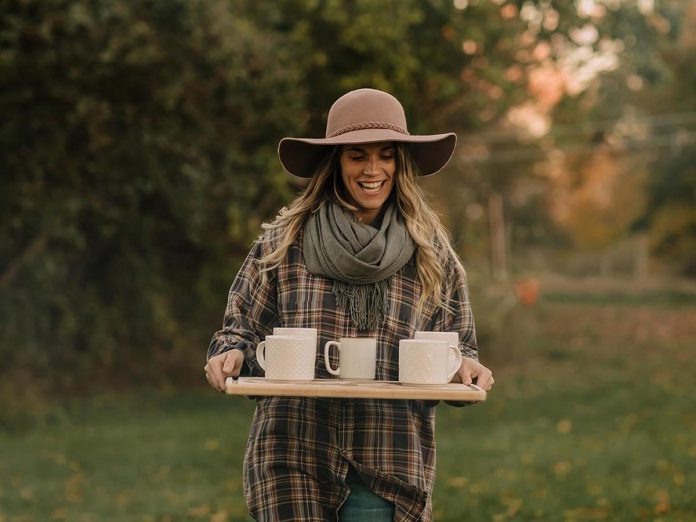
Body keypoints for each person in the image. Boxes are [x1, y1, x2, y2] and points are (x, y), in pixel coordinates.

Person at [205, 88, 494, 521]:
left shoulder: (431, 253)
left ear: (401, 163)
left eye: (386, 155)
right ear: (336, 163)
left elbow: (458, 348)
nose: (373, 169)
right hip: (291, 451)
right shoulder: (284, 242)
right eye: (357, 155)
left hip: (387, 456)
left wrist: (466, 370)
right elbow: (241, 330)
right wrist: (229, 354)